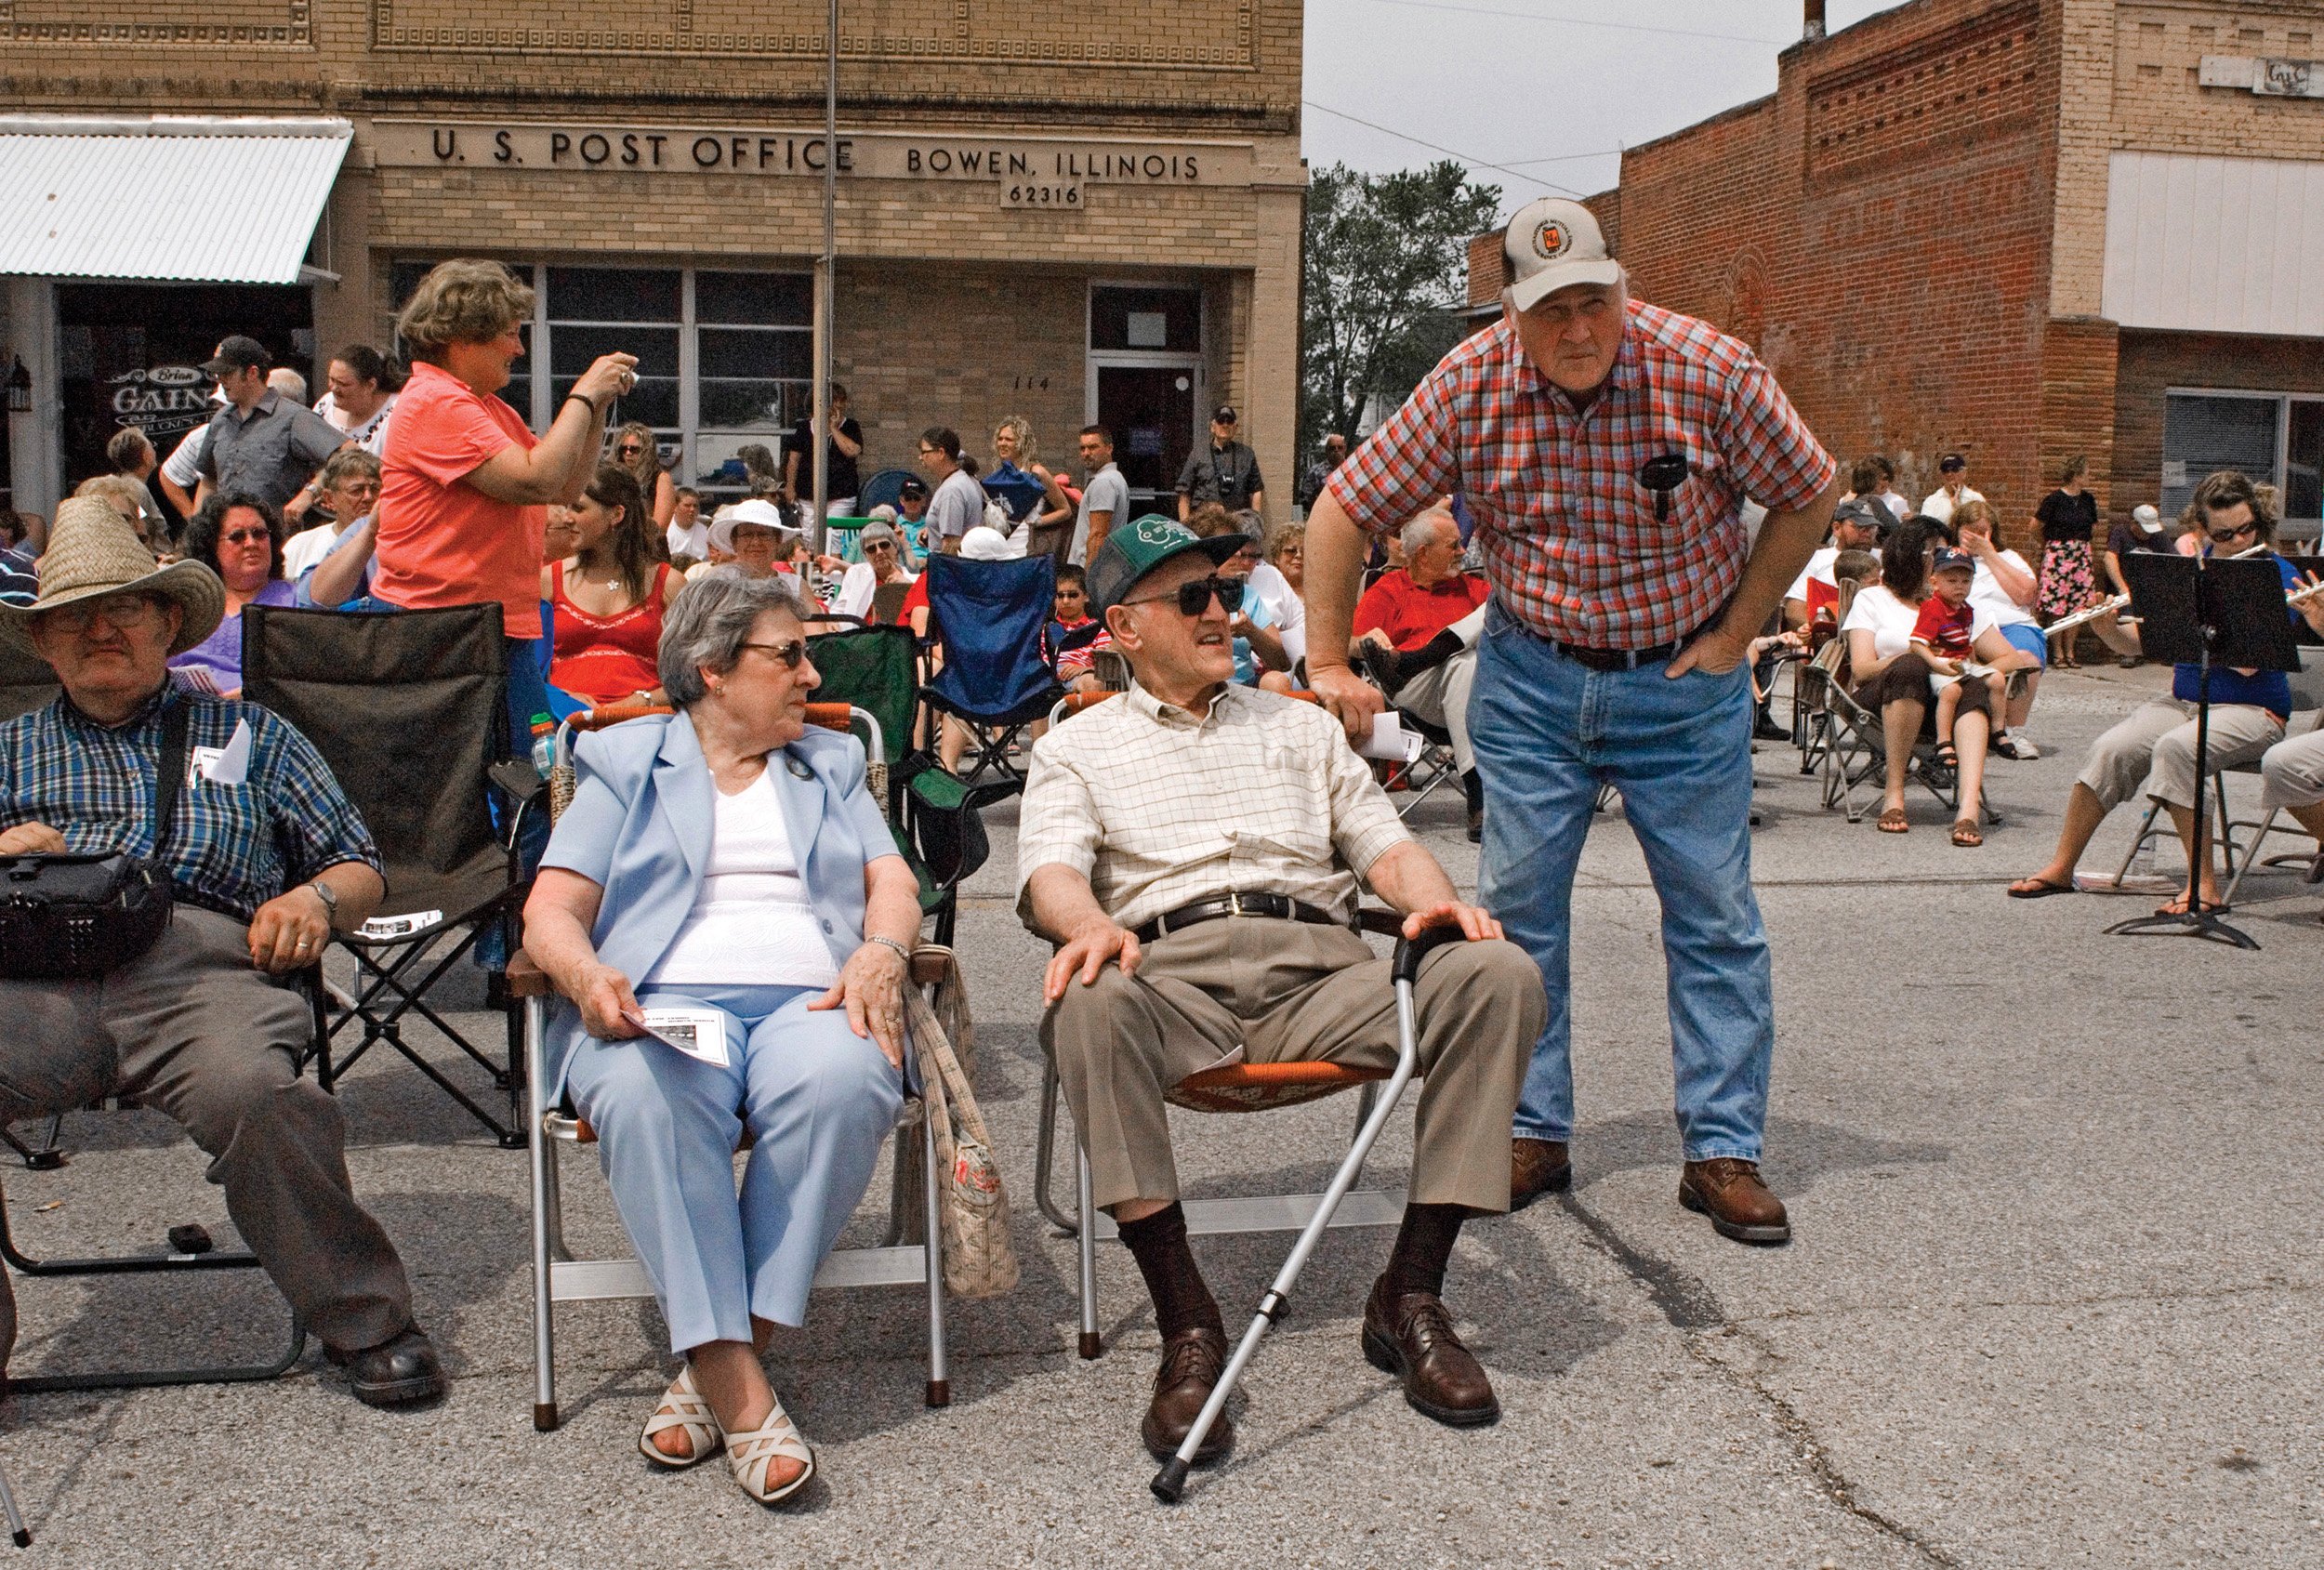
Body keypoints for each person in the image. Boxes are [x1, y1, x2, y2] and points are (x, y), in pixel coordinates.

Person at [1302, 195, 1842, 1243]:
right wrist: (1325, 657)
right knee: (1517, 913)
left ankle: (1722, 1149)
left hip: (1679, 684)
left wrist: (1736, 635)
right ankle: (1531, 1130)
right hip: (1532, 677)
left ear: (1621, 290)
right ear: (1511, 314)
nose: (1578, 331)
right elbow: (1343, 505)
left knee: (1713, 913)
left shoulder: (1708, 370)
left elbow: (1810, 492)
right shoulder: (1468, 384)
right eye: (1551, 312)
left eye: (1594, 302)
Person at [1019, 515, 1546, 1461]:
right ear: (1125, 628)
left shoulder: (1299, 725)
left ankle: (1411, 1293)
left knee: (1496, 971)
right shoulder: (1076, 748)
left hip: (1320, 967)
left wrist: (1437, 908)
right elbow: (1050, 872)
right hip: (1167, 975)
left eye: (1220, 591)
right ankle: (1189, 1324)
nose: (1219, 611)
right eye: (1189, 599)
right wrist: (1087, 923)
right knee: (1084, 998)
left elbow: (1385, 848)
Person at [0, 496, 445, 1407]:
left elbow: (358, 862)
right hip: (36, 975)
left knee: (258, 1095)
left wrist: (314, 897)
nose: (98, 632)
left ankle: (366, 1318)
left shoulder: (253, 733)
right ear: (42, 645)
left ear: (168, 620)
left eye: (122, 609)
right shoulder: (7, 751)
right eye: (70, 620)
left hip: (204, 966)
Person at [521, 572, 916, 1503]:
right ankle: (742, 1393)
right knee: (646, 1097)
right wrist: (585, 975)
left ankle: (715, 1368)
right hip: (661, 1000)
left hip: (810, 997)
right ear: (710, 671)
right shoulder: (626, 761)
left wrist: (883, 951)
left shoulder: (827, 762)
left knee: (847, 1083)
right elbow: (552, 911)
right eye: (788, 655)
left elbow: (890, 880)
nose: (810, 674)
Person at [2010, 470, 2324, 914]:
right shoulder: (2186, 571)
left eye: (2247, 529)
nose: (2238, 540)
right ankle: (2062, 867)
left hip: (2253, 709)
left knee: (2178, 749)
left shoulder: (2276, 574)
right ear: (2202, 531)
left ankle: (2203, 887)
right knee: (2112, 747)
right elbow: (2142, 646)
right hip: (2184, 700)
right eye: (2225, 533)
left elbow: (2249, 660)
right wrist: (2104, 626)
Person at [374, 258, 635, 755]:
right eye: (510, 334)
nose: (519, 348)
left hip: (482, 625)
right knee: (508, 773)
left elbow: (563, 485)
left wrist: (598, 408)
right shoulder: (438, 402)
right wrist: (582, 393)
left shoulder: (482, 405)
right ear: (464, 337)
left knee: (531, 768)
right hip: (443, 628)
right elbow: (537, 480)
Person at [1839, 517, 2003, 846]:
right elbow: (1861, 669)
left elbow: (2014, 657)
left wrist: (1969, 666)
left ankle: (1969, 809)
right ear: (1913, 555)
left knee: (1972, 685)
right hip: (1884, 699)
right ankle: (1894, 794)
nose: (1949, 558)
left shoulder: (1959, 608)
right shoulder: (1874, 599)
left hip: (1943, 706)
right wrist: (1927, 661)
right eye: (1938, 551)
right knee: (1912, 664)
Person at [1352, 506, 1490, 838]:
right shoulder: (1388, 589)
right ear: (1424, 554)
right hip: (1416, 693)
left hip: (1470, 687)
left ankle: (1420, 657)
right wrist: (1367, 641)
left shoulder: (1472, 588)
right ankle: (1479, 793)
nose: (1462, 552)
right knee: (1465, 661)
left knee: (1495, 610)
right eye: (1453, 545)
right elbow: (1350, 643)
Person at [546, 465, 683, 707]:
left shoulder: (668, 583)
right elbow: (524, 671)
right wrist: (559, 697)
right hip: (565, 725)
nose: (566, 518)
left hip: (644, 727)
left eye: (577, 507)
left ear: (617, 515)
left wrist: (642, 701)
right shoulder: (549, 580)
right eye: (567, 507)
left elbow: (693, 676)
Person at [191, 336, 350, 521]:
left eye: (227, 373)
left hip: (278, 539)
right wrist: (198, 528)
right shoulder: (221, 420)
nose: (221, 380)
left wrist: (310, 493)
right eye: (218, 373)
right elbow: (209, 479)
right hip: (233, 537)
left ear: (252, 373)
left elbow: (348, 454)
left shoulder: (293, 417)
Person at [168, 491, 297, 698]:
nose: (251, 543)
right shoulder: (188, 605)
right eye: (237, 536)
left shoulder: (295, 599)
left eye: (260, 533)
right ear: (211, 547)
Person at [1949, 498, 2044, 758]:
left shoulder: (2009, 558)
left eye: (1982, 531)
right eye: (1970, 531)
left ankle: (2015, 731)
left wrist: (1989, 554)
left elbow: (2025, 594)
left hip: (2012, 625)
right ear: (1957, 529)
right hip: (1968, 627)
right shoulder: (1949, 558)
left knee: (2026, 659)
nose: (1976, 537)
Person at [1910, 548, 2006, 769]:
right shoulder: (1932, 608)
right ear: (1935, 582)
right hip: (1940, 665)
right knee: (1952, 691)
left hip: (1962, 663)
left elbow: (1966, 643)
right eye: (1952, 581)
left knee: (1998, 679)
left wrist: (1973, 663)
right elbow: (1916, 643)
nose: (1959, 586)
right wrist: (1936, 664)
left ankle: (1999, 731)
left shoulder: (1966, 610)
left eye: (1965, 581)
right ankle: (1943, 741)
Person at [2031, 455, 2101, 666]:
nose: (2089, 477)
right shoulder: (2054, 500)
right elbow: (2034, 526)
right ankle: (2057, 652)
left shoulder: (2088, 500)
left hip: (2081, 552)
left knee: (2078, 604)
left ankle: (2071, 651)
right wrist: (2048, 546)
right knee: (2056, 604)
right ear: (2076, 475)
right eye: (2086, 473)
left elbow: (2094, 527)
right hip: (2058, 553)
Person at [1779, 496, 1885, 633]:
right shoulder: (1817, 559)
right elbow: (1794, 609)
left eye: (1871, 528)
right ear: (1836, 528)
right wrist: (1823, 631)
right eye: (1858, 526)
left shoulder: (1885, 559)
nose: (1866, 533)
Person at [282, 447, 382, 580]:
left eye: (375, 489)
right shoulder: (301, 545)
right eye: (356, 491)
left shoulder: (397, 543)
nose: (368, 497)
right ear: (329, 498)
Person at [2101, 503, 2172, 668]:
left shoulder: (2159, 536)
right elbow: (2109, 558)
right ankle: (2130, 652)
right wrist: (2121, 586)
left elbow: (2172, 559)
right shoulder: (2120, 533)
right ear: (2134, 523)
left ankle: (2161, 649)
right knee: (2129, 615)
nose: (2147, 535)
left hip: (2150, 586)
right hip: (2127, 586)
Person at [783, 385, 864, 526]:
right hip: (808, 494)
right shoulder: (804, 428)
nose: (838, 405)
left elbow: (852, 451)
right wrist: (790, 487)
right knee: (809, 535)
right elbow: (794, 460)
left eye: (841, 401)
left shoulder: (851, 426)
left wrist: (833, 428)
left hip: (841, 494)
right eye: (834, 401)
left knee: (833, 535)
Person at [1174, 404, 1264, 521]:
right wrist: (1185, 528)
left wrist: (1255, 524)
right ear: (1213, 427)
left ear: (1236, 427)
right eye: (1221, 421)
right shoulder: (1198, 454)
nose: (1225, 425)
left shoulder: (1246, 455)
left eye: (1229, 421)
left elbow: (1255, 491)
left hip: (1236, 525)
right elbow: (1184, 493)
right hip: (1204, 524)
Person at [313, 345, 402, 456]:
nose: (334, 388)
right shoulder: (326, 404)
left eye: (343, 384)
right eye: (332, 379)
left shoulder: (396, 414)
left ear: (370, 385)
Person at [825, 518, 916, 622]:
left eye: (884, 545)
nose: (879, 552)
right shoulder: (856, 574)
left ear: (895, 547)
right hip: (860, 635)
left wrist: (908, 587)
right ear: (866, 555)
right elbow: (839, 610)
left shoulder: (913, 580)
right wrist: (832, 622)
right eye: (871, 549)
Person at [687, 499, 795, 586]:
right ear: (734, 542)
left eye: (764, 535)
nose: (756, 542)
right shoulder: (717, 583)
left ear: (778, 540)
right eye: (747, 535)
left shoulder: (794, 586)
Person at [917, 428, 984, 553]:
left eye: (924, 452)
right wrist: (932, 532)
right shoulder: (966, 478)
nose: (920, 457)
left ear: (941, 453)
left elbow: (951, 545)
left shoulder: (951, 490)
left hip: (952, 569)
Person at [1071, 425, 1129, 566]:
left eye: (1093, 447)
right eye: (1082, 448)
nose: (1086, 453)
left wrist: (1087, 580)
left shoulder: (1104, 483)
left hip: (1091, 568)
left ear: (1109, 448)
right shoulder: (1114, 478)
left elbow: (1098, 536)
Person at [606, 422, 678, 534]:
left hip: (648, 544)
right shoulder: (614, 477)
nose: (628, 453)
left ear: (646, 450)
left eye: (634, 449)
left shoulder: (660, 478)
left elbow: (660, 527)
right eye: (624, 449)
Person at [1050, 562, 1110, 693]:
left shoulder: (1097, 628)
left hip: (1082, 676)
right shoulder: (1045, 629)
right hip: (1046, 680)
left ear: (1086, 596)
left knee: (1093, 683)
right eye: (1060, 596)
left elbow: (1105, 667)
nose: (1065, 601)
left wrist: (1084, 669)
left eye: (1072, 595)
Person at [1918, 453, 1983, 526]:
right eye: (1945, 470)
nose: (1949, 474)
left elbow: (1981, 527)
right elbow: (1926, 531)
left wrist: (1958, 509)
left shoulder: (1976, 499)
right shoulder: (1931, 501)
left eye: (1954, 470)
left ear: (1964, 473)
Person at [1297, 433, 1349, 512]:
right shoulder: (1314, 472)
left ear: (1345, 449)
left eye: (1340, 447)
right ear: (1327, 450)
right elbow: (1305, 501)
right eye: (1332, 448)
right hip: (1323, 516)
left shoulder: (1351, 469)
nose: (1336, 450)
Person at [666, 486, 706, 562]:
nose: (692, 509)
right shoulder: (666, 530)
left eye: (695, 506)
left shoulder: (705, 532)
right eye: (687, 505)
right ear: (675, 507)